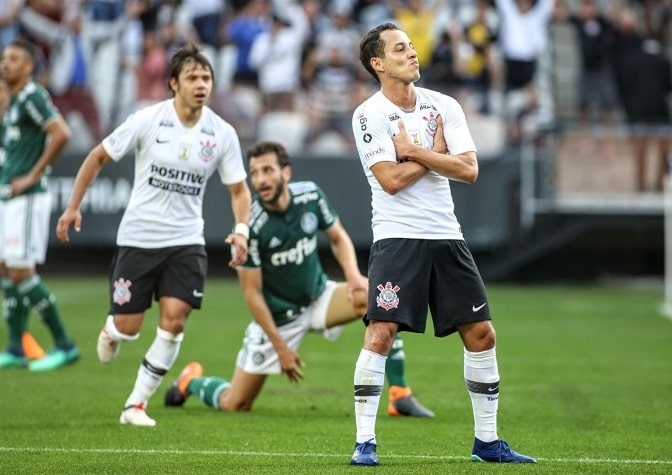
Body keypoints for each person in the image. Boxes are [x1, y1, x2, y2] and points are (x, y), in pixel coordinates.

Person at [348, 23, 536, 466]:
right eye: (400, 49)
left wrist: (415, 151)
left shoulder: (444, 105)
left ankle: (487, 443)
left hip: (446, 236)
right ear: (378, 64)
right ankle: (365, 442)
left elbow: (469, 170)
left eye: (411, 46)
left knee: (482, 333)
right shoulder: (367, 114)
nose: (412, 53)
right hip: (397, 238)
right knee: (380, 333)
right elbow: (390, 182)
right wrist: (434, 155)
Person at [55, 43, 252, 427]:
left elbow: (239, 190)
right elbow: (97, 155)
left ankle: (136, 405)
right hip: (139, 238)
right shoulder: (147, 120)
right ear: (173, 83)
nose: (201, 84)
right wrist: (73, 206)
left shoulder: (222, 133)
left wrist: (241, 230)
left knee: (175, 320)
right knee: (128, 328)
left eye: (206, 77)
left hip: (186, 240)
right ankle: (112, 329)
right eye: (193, 77)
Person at [163, 140, 434, 418]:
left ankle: (399, 395)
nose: (261, 179)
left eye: (267, 170)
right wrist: (281, 349)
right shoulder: (248, 229)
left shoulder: (310, 196)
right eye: (254, 173)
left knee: (375, 298)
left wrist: (353, 276)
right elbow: (252, 295)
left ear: (286, 173)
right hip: (278, 319)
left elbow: (338, 237)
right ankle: (191, 382)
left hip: (318, 298)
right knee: (236, 403)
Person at [0, 40, 79, 371]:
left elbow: (62, 132)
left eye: (14, 59)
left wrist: (33, 175)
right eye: (4, 58)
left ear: (29, 66)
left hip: (27, 198)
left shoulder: (32, 95)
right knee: (7, 269)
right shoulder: (15, 100)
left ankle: (64, 344)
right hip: (10, 195)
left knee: (20, 270)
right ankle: (16, 347)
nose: (6, 64)